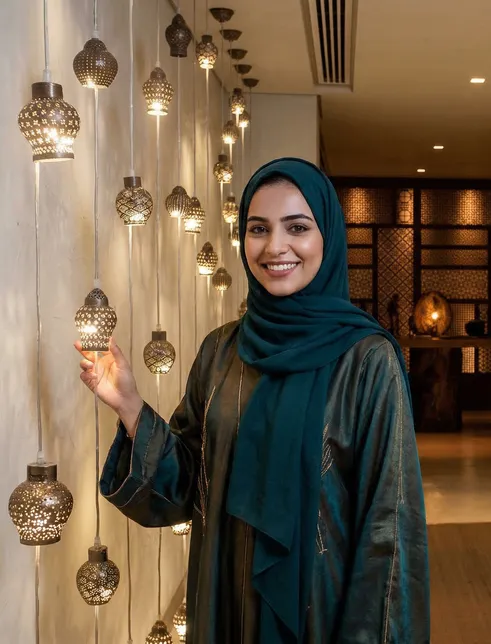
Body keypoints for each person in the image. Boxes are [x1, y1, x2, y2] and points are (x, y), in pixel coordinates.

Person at [76, 158, 430, 643]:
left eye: (297, 227)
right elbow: (185, 489)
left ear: (327, 237)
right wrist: (131, 407)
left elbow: (388, 531)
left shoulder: (367, 361)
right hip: (223, 604)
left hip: (320, 616)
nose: (275, 246)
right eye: (258, 228)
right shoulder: (221, 351)